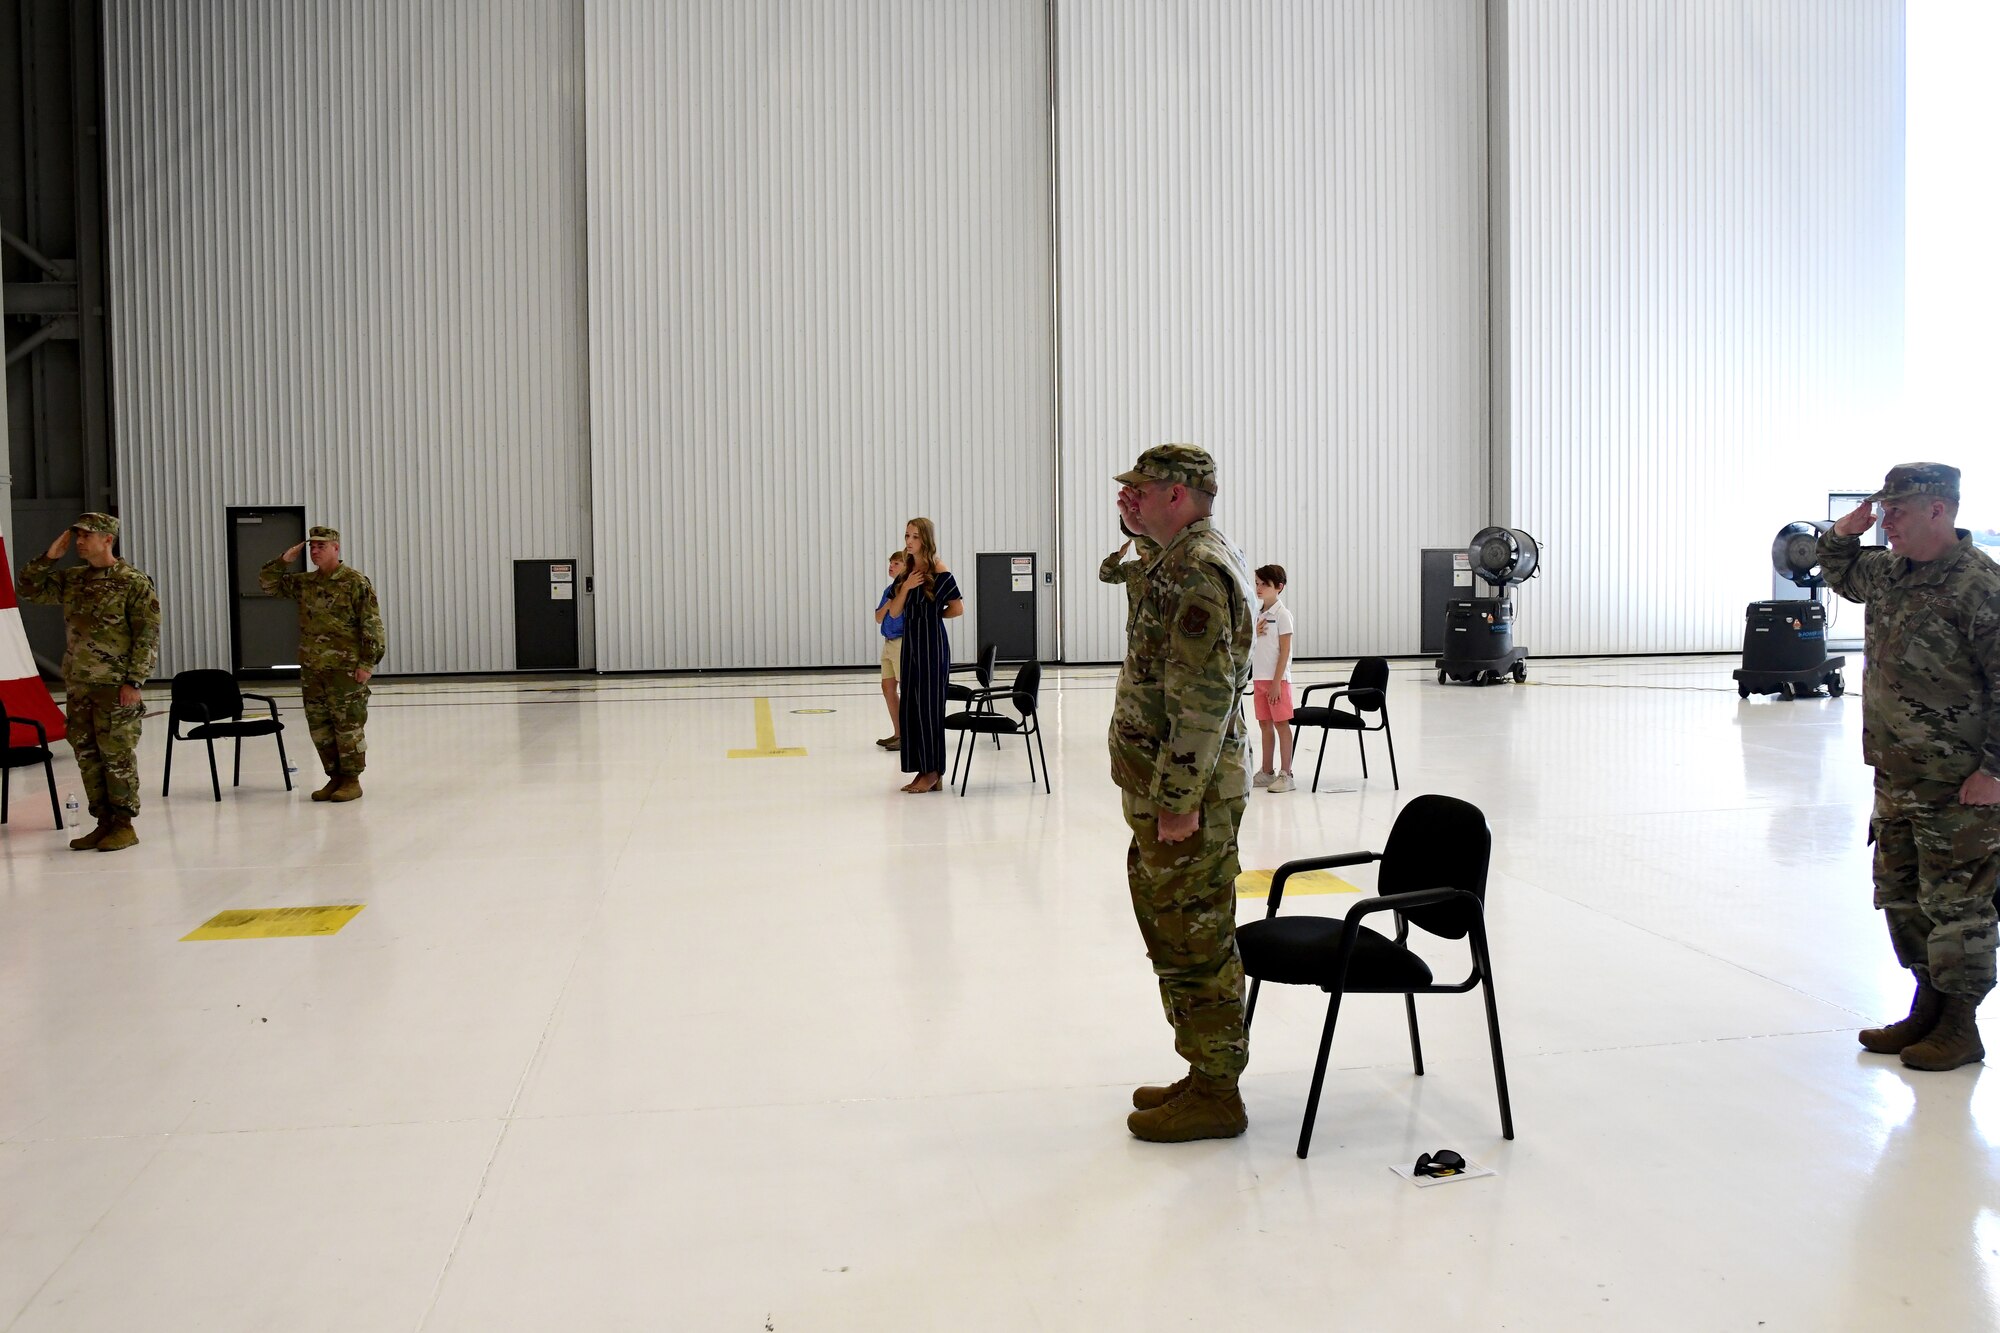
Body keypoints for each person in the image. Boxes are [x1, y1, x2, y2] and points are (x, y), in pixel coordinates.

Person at [1820, 462, 2000, 1071]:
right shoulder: (1890, 572)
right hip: (1896, 775)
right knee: (1902, 895)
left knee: (1958, 903)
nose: (1887, 522)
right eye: (1883, 509)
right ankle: (1926, 1005)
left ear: (1939, 510)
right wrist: (1844, 533)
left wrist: (1995, 772)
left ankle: (1960, 1024)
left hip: (1960, 782)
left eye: (1898, 510)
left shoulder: (1981, 587)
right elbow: (1838, 571)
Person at [1110, 444, 1256, 1142]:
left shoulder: (1198, 568)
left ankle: (1219, 1091)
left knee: (1196, 938)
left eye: (1141, 491)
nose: (1131, 500)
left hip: (1188, 797)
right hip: (1173, 789)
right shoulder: (1179, 557)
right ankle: (1203, 1072)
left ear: (1176, 493)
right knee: (1173, 928)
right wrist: (1139, 538)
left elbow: (1203, 697)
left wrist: (1177, 799)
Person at [16, 513, 160, 852]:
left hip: (115, 686)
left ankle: (124, 825)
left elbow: (147, 636)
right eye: (76, 536)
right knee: (87, 756)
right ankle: (103, 822)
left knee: (117, 756)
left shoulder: (133, 582)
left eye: (86, 535)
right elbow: (28, 589)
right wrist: (50, 557)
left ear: (107, 539)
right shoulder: (73, 579)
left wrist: (134, 682)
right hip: (80, 684)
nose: (79, 542)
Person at [260, 526, 385, 802]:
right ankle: (334, 778)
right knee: (320, 727)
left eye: (321, 546)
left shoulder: (354, 582)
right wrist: (283, 561)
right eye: (312, 546)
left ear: (336, 548)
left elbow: (372, 625)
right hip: (313, 669)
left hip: (345, 670)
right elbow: (269, 584)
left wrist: (367, 663)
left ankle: (352, 780)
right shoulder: (307, 582)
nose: (315, 551)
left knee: (348, 726)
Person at [882, 518, 963, 793]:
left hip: (932, 645)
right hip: (911, 646)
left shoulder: (938, 569)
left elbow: (957, 608)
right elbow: (894, 612)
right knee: (912, 709)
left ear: (925, 539)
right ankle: (922, 769)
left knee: (929, 710)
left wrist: (932, 616)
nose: (909, 541)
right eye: (907, 535)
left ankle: (933, 771)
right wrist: (905, 587)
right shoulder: (908, 571)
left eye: (914, 536)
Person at [1250, 564, 1296, 793]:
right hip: (1259, 678)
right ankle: (1266, 771)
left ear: (1278, 587)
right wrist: (1253, 635)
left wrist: (1277, 682)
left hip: (1277, 681)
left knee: (1281, 724)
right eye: (1257, 583)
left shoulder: (1283, 615)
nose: (1258, 588)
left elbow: (1285, 651)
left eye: (1264, 584)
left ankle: (1286, 773)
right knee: (1264, 724)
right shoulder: (1257, 614)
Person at [874, 551, 912, 750]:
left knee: (906, 689)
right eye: (891, 563)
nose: (892, 566)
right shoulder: (889, 590)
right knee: (888, 688)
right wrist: (889, 602)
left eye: (897, 563)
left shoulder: (909, 590)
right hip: (888, 642)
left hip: (902, 641)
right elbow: (879, 617)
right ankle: (898, 732)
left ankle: (908, 735)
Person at [1098, 523, 1159, 636]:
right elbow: (1105, 576)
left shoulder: (1164, 567)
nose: (1137, 545)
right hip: (1135, 631)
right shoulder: (1131, 568)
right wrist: (1118, 556)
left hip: (1158, 632)